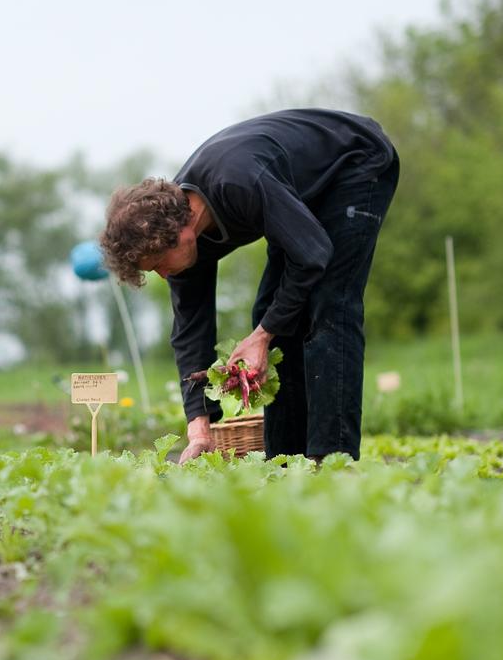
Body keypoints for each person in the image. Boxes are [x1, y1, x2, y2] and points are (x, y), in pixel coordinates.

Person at [99, 109, 399, 463]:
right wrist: (199, 426)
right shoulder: (178, 234)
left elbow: (313, 254)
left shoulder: (238, 183)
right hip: (296, 192)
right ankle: (284, 461)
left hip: (356, 161)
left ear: (180, 234)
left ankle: (331, 460)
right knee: (271, 312)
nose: (163, 275)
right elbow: (190, 330)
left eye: (159, 265)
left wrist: (261, 336)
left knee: (328, 304)